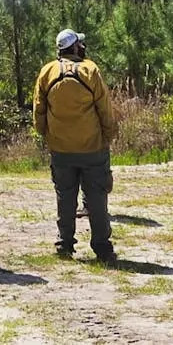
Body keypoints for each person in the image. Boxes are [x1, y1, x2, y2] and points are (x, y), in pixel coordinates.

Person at [33, 29, 118, 264]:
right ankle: (102, 248)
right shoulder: (90, 70)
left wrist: (46, 135)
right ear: (75, 47)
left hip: (61, 149)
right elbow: (105, 109)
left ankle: (65, 244)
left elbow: (38, 110)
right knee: (97, 199)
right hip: (92, 148)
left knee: (65, 198)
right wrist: (108, 135)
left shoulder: (47, 71)